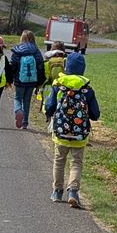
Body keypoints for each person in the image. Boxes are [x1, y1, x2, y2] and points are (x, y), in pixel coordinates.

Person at [43, 51, 100, 208]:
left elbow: (49, 106)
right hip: (80, 135)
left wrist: (48, 114)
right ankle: (73, 192)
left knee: (59, 161)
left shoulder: (58, 86)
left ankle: (57, 191)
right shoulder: (87, 90)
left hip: (60, 132)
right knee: (76, 162)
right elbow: (95, 114)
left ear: (66, 67)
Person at [8, 30, 45, 130]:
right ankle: (25, 123)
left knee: (17, 98)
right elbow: (41, 67)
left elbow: (13, 66)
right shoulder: (36, 51)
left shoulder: (17, 50)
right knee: (27, 100)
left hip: (20, 80)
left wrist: (10, 79)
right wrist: (40, 82)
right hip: (32, 81)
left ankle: (18, 111)